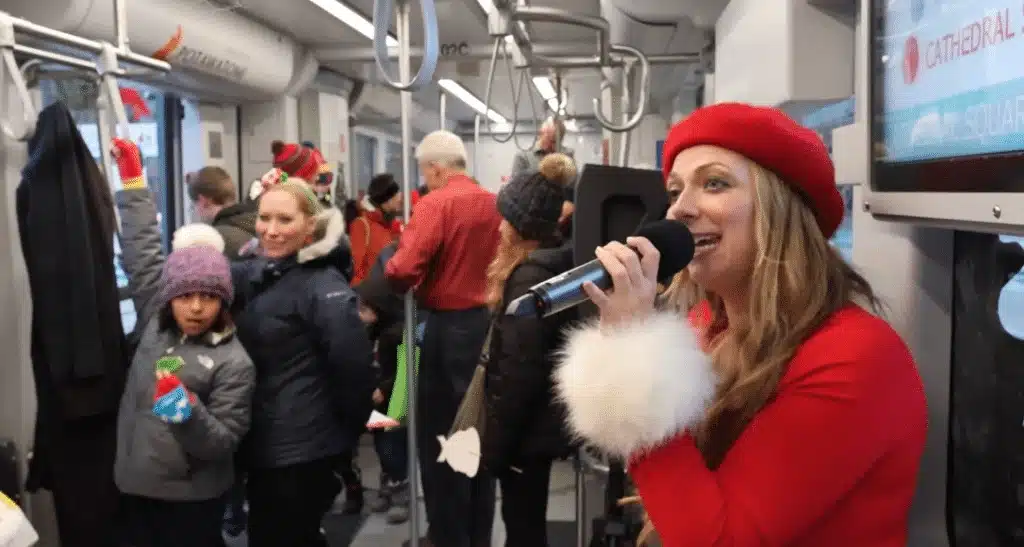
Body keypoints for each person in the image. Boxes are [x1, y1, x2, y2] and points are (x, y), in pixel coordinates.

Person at [552, 103, 928, 546]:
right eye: (675, 192)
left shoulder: (857, 357)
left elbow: (722, 539)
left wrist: (633, 349)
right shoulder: (705, 323)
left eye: (714, 183)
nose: (680, 210)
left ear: (779, 210)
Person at [112, 144, 376, 547]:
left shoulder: (322, 290)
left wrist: (341, 437)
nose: (270, 229)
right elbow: (161, 270)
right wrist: (134, 186)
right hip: (262, 443)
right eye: (264, 218)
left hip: (300, 449)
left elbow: (352, 370)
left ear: (311, 226)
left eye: (284, 220)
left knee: (285, 534)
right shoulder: (259, 273)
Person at [110, 138, 255, 547]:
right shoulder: (156, 329)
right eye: (184, 296)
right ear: (168, 298)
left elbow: (224, 441)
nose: (194, 308)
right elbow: (143, 254)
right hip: (134, 486)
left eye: (207, 297)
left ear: (223, 301)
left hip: (191, 500)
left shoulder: (233, 361)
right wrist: (134, 181)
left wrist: (188, 411)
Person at [385, 130, 502, 547]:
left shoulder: (436, 203)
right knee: (475, 438)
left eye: (425, 171)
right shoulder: (494, 202)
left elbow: (402, 270)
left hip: (445, 331)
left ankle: (447, 537)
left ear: (434, 167)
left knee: (440, 440)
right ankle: (478, 536)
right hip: (486, 328)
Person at [481, 155, 577, 547]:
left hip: (524, 433)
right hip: (537, 426)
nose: (500, 226)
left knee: (522, 528)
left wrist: (498, 449)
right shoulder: (552, 266)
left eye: (506, 219)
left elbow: (519, 373)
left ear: (520, 227)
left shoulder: (528, 282)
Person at [185, 166, 258, 260]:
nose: (195, 211)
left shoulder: (214, 240)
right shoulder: (258, 222)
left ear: (203, 201)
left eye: (194, 205)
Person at [349, 173, 403, 285]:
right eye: (396, 194)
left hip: (392, 296)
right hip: (371, 298)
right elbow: (356, 272)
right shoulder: (361, 225)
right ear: (386, 200)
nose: (400, 198)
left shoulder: (393, 226)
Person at [509, 118, 575, 177]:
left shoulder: (567, 155)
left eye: (558, 143)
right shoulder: (523, 157)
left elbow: (574, 183)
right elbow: (516, 187)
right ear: (541, 134)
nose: (554, 147)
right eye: (552, 141)